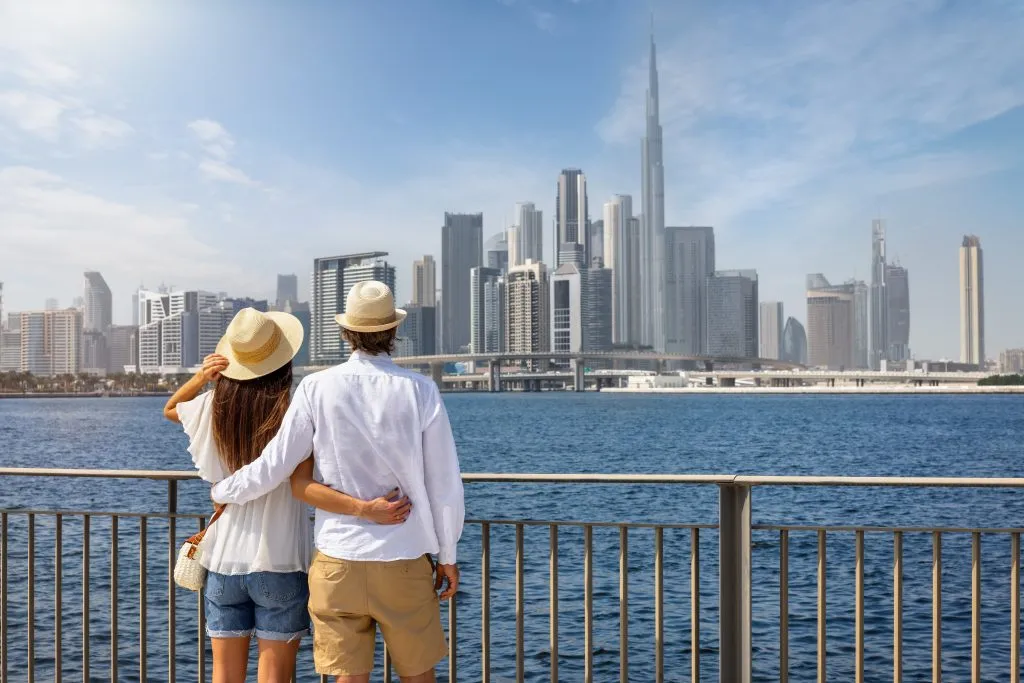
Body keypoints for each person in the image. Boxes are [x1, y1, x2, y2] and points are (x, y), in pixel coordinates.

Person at [211, 281, 465, 683]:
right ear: (393, 333)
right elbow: (444, 483)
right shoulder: (421, 389)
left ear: (347, 332)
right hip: (403, 556)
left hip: (339, 562)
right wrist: (447, 555)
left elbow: (275, 464)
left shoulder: (316, 387)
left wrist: (222, 491)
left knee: (349, 677)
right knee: (419, 674)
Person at [164, 307, 413, 683]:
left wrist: (203, 377)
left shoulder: (212, 409)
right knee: (276, 676)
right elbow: (305, 478)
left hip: (222, 563)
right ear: (283, 362)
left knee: (223, 676)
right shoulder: (292, 409)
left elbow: (170, 409)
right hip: (279, 561)